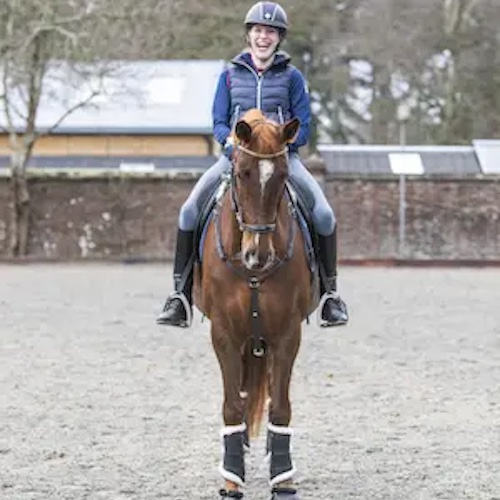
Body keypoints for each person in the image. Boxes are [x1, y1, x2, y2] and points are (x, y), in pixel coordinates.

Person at [157, 1, 348, 328]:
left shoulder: (292, 78)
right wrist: (230, 144)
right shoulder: (229, 76)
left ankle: (330, 296)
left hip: (281, 162)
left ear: (279, 38)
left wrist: (279, 146)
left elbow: (303, 126)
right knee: (188, 211)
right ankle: (180, 296)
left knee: (324, 215)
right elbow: (218, 122)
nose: (264, 37)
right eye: (259, 30)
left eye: (270, 32)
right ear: (250, 35)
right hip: (233, 160)